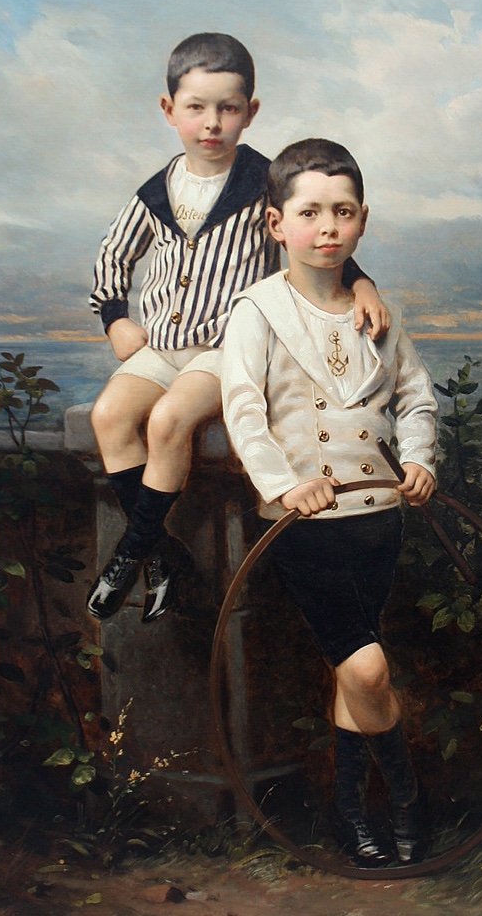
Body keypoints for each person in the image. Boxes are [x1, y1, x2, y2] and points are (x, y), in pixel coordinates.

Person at [87, 34, 390, 624]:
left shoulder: (264, 183)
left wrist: (363, 283)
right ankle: (158, 552)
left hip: (229, 346)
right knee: (108, 416)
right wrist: (117, 318)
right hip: (164, 346)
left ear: (250, 113)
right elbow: (111, 258)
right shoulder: (157, 189)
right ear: (168, 109)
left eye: (228, 108)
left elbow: (317, 241)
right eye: (196, 107)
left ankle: (131, 551)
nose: (211, 123)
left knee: (172, 418)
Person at [221, 138, 438, 865]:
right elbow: (243, 409)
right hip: (303, 526)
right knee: (369, 667)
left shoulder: (381, 312)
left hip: (378, 520)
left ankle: (353, 819)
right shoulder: (257, 310)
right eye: (309, 211)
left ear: (363, 220)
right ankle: (409, 803)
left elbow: (414, 396)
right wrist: (285, 485)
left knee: (353, 673)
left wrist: (418, 458)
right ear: (276, 223)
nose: (328, 226)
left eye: (342, 211)